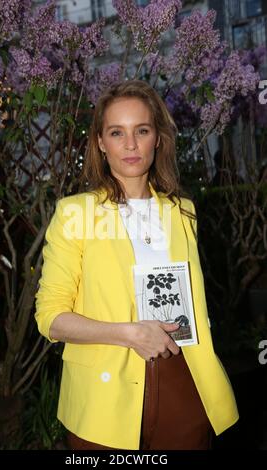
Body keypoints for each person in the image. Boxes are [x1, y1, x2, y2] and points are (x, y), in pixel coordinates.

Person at [35, 79, 239, 450]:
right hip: (103, 394)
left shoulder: (183, 212)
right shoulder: (74, 213)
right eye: (117, 132)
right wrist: (130, 334)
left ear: (157, 138)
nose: (130, 145)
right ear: (100, 142)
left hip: (184, 378)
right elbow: (50, 317)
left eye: (141, 130)